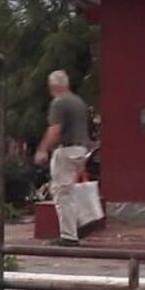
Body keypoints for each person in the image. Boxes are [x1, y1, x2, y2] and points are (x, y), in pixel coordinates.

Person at [34, 70, 91, 247]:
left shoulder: (59, 102)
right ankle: (75, 227)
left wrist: (42, 149)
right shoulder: (78, 101)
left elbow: (55, 129)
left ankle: (69, 236)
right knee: (70, 192)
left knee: (62, 193)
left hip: (66, 150)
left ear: (53, 86)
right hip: (81, 149)